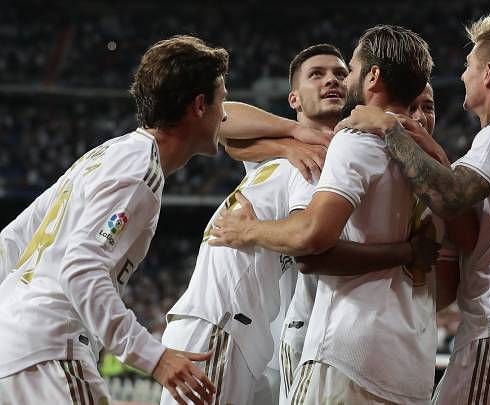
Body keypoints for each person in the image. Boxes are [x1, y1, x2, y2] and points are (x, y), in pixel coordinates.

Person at [161, 43, 440, 404]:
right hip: (230, 323)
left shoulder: (340, 157)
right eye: (317, 74)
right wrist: (293, 139)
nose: (333, 80)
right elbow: (223, 119)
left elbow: (311, 241)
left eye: (342, 73)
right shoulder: (293, 154)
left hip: (273, 333)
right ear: (293, 98)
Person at [338, 15, 490, 404]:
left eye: (469, 65)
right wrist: (436, 153)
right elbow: (468, 226)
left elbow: (451, 197)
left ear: (488, 73)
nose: (462, 75)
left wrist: (388, 129)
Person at [0, 35, 225, 404]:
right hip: (49, 349)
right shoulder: (140, 170)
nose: (226, 115)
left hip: (12, 349)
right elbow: (82, 268)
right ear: (199, 105)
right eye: (223, 101)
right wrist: (154, 356)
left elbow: (12, 239)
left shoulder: (103, 155)